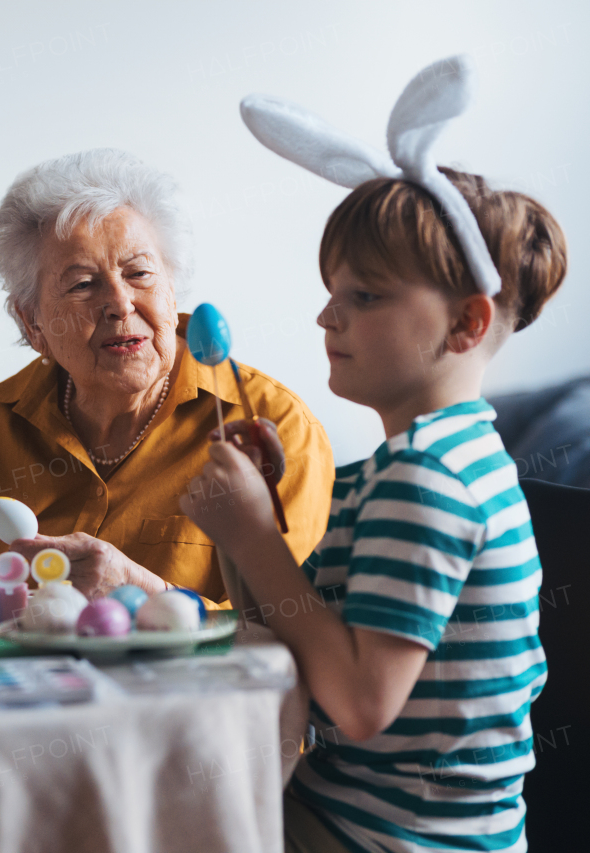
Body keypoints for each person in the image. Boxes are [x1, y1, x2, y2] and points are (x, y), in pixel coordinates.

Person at [184, 74, 567, 852]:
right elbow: (284, 638)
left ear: (466, 321)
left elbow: (358, 705)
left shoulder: (430, 480)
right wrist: (241, 526)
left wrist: (259, 537)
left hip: (390, 836)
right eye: (333, 291)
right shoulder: (408, 467)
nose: (327, 314)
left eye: (365, 296)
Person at [0, 149, 334, 603]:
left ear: (172, 291)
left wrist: (147, 595)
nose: (120, 304)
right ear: (32, 324)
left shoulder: (274, 430)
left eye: (140, 274)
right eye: (83, 284)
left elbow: (292, 629)